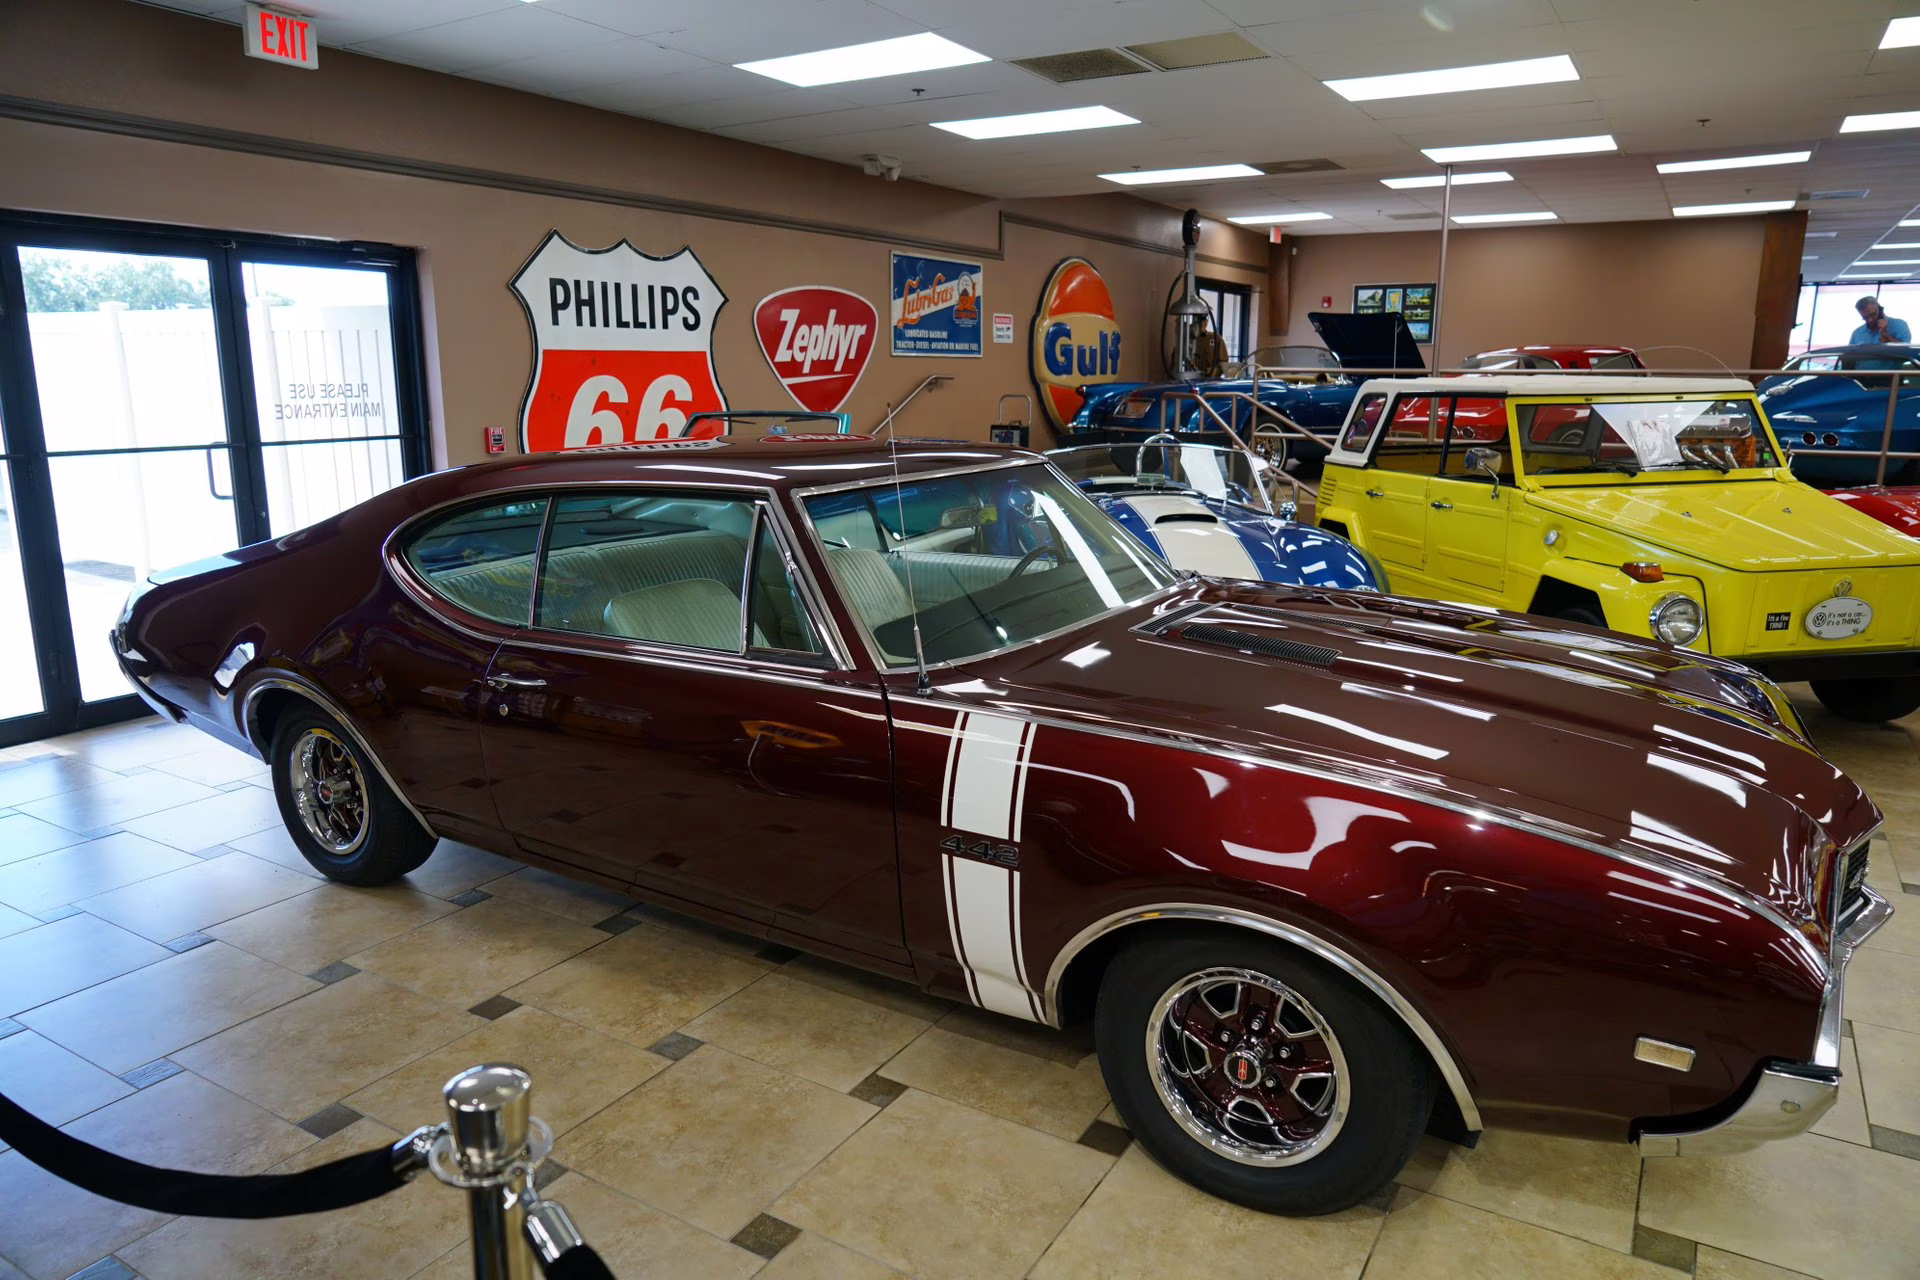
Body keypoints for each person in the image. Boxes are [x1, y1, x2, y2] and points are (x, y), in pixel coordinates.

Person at [1192, 313, 1225, 378]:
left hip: (1211, 381)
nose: (1202, 323)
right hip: (1191, 378)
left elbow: (1224, 362)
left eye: (1204, 319)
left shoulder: (1215, 338)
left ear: (1207, 322)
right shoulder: (1188, 339)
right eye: (1198, 320)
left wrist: (1215, 370)